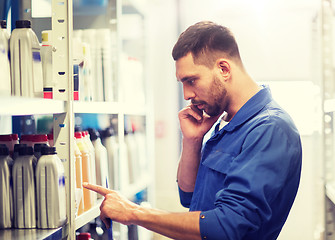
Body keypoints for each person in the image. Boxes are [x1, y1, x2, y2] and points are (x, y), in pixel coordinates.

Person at [84, 21, 302, 240]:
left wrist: (133, 212)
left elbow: (227, 227)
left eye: (191, 80)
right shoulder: (225, 120)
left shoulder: (269, 129)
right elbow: (188, 196)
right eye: (182, 82)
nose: (186, 94)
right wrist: (192, 141)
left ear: (224, 69)